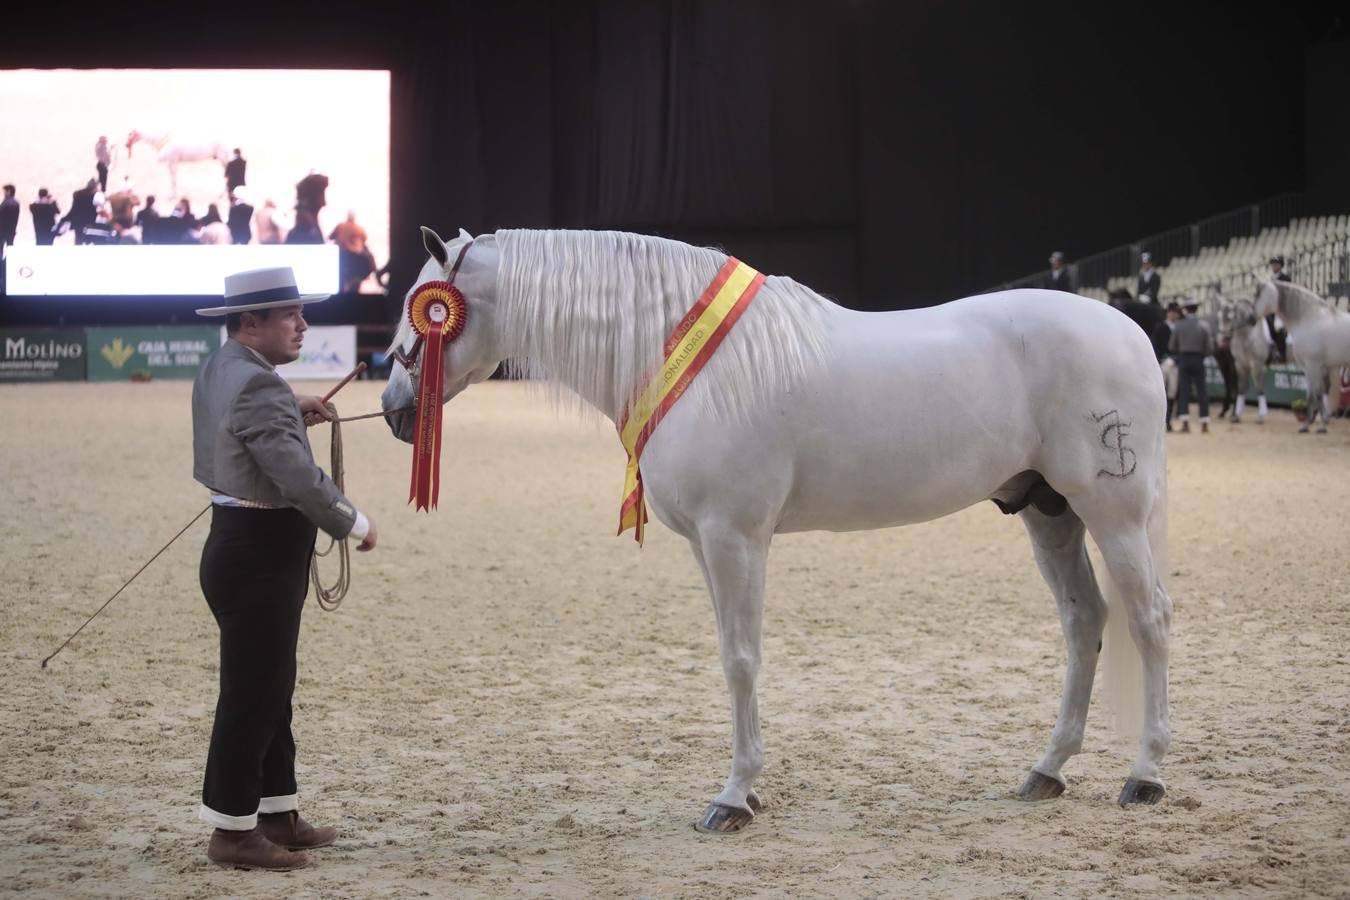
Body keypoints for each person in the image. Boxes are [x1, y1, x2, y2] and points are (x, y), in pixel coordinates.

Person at [191, 266, 378, 870]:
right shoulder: (260, 387)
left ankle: (275, 813)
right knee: (253, 692)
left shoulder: (228, 367)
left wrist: (290, 408)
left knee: (272, 686)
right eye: (289, 314)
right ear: (252, 323)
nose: (303, 325)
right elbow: (296, 477)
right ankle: (232, 829)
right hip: (259, 554)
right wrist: (351, 520)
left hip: (238, 547)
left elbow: (245, 424)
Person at [1169, 297, 1214, 433]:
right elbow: (1209, 348)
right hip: (1198, 359)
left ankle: (1185, 423)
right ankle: (1204, 423)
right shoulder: (1204, 326)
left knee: (1184, 392)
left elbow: (1172, 346)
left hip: (1184, 359)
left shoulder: (1179, 325)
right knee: (1202, 391)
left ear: (1186, 309)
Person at [330, 211, 376, 292]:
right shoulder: (359, 228)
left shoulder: (341, 226)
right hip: (356, 258)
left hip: (343, 256)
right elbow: (364, 240)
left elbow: (330, 237)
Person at [1153, 301, 1181, 431]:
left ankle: (1168, 421)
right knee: (1161, 392)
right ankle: (1160, 421)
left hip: (1174, 363)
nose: (1174, 315)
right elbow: (1156, 345)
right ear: (1168, 313)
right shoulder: (1161, 327)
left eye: (1176, 312)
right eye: (1172, 312)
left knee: (1172, 393)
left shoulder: (1179, 328)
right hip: (1162, 362)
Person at [1266, 255, 1290, 363]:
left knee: (1278, 327)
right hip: (1270, 309)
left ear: (1281, 265)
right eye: (1273, 264)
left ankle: (1282, 353)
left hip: (1281, 309)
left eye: (1276, 264)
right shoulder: (1268, 279)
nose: (1274, 266)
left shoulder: (1286, 278)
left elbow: (1286, 295)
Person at [62, 179, 99, 245]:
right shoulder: (95, 196)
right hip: (89, 222)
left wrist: (66, 218)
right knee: (89, 241)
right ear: (94, 187)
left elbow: (74, 209)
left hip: (78, 222)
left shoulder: (78, 194)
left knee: (78, 240)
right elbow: (95, 211)